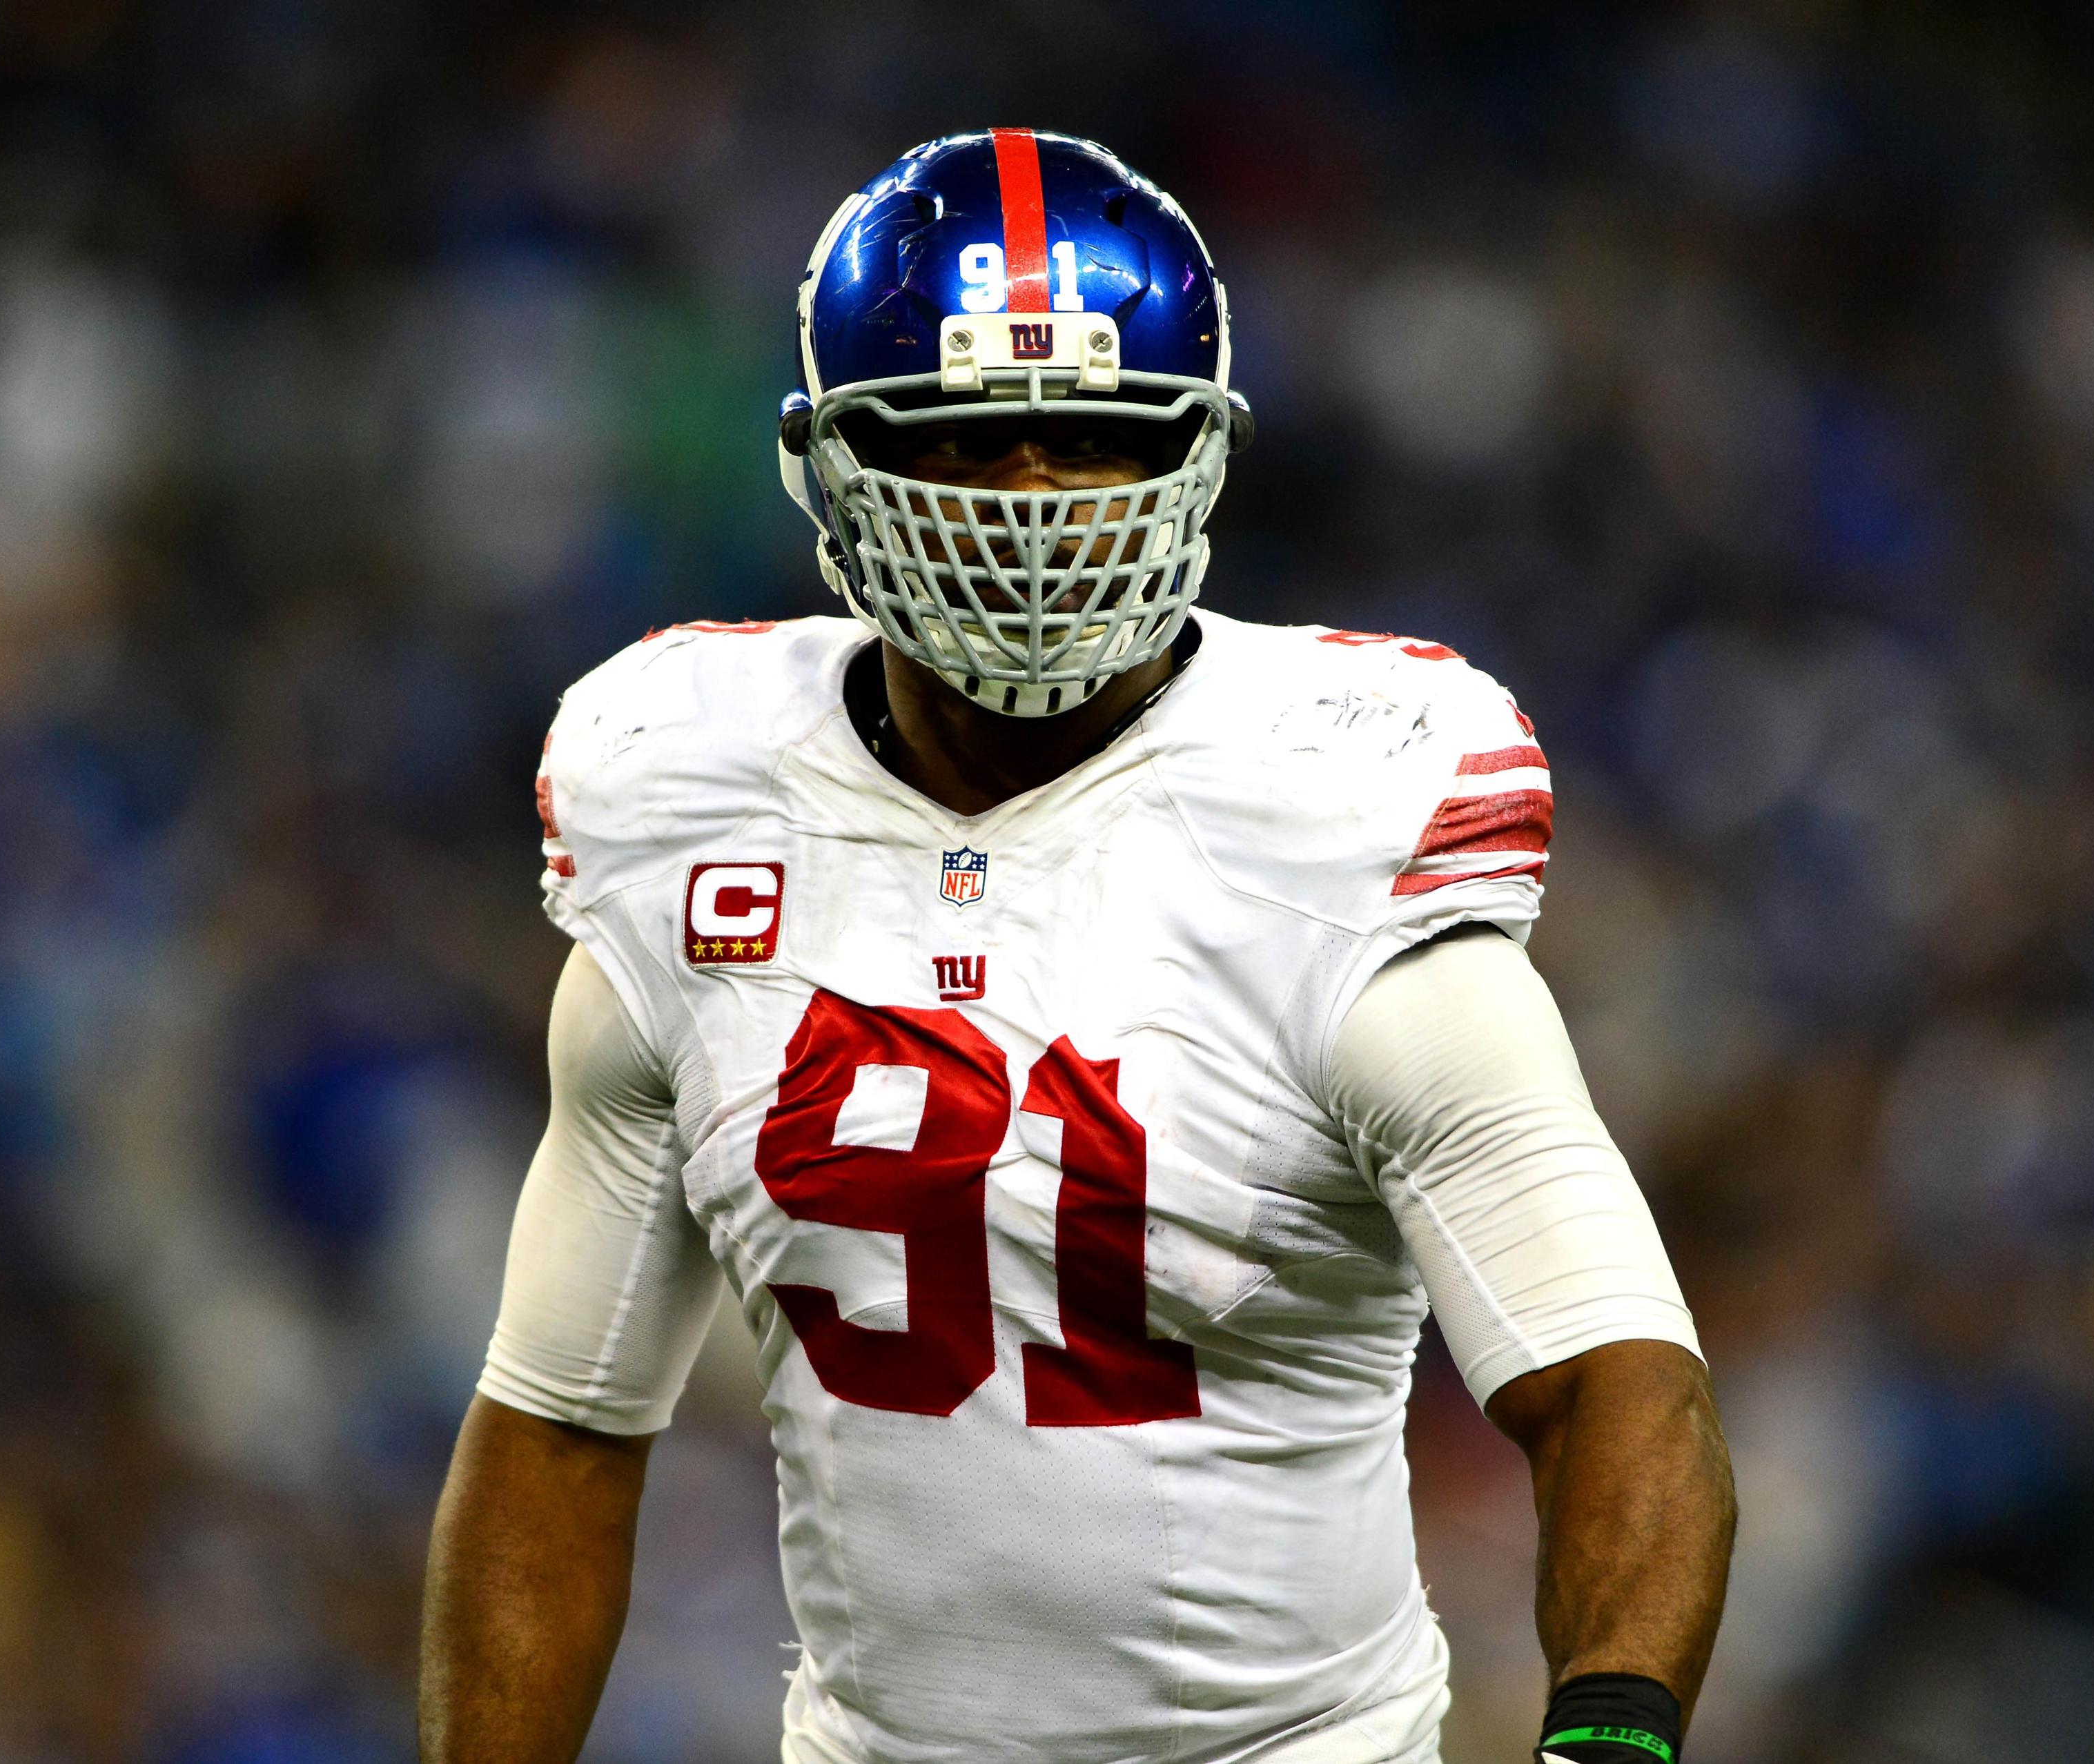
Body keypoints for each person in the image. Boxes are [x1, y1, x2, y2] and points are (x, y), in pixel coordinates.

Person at [420, 129, 1734, 1764]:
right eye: (973, 438)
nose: (1038, 498)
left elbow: (1618, 1383)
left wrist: (1607, 1744)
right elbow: (558, 1421)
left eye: (1098, 437)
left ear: (1195, 458)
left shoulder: (1335, 823)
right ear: (829, 463)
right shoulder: (692, 805)